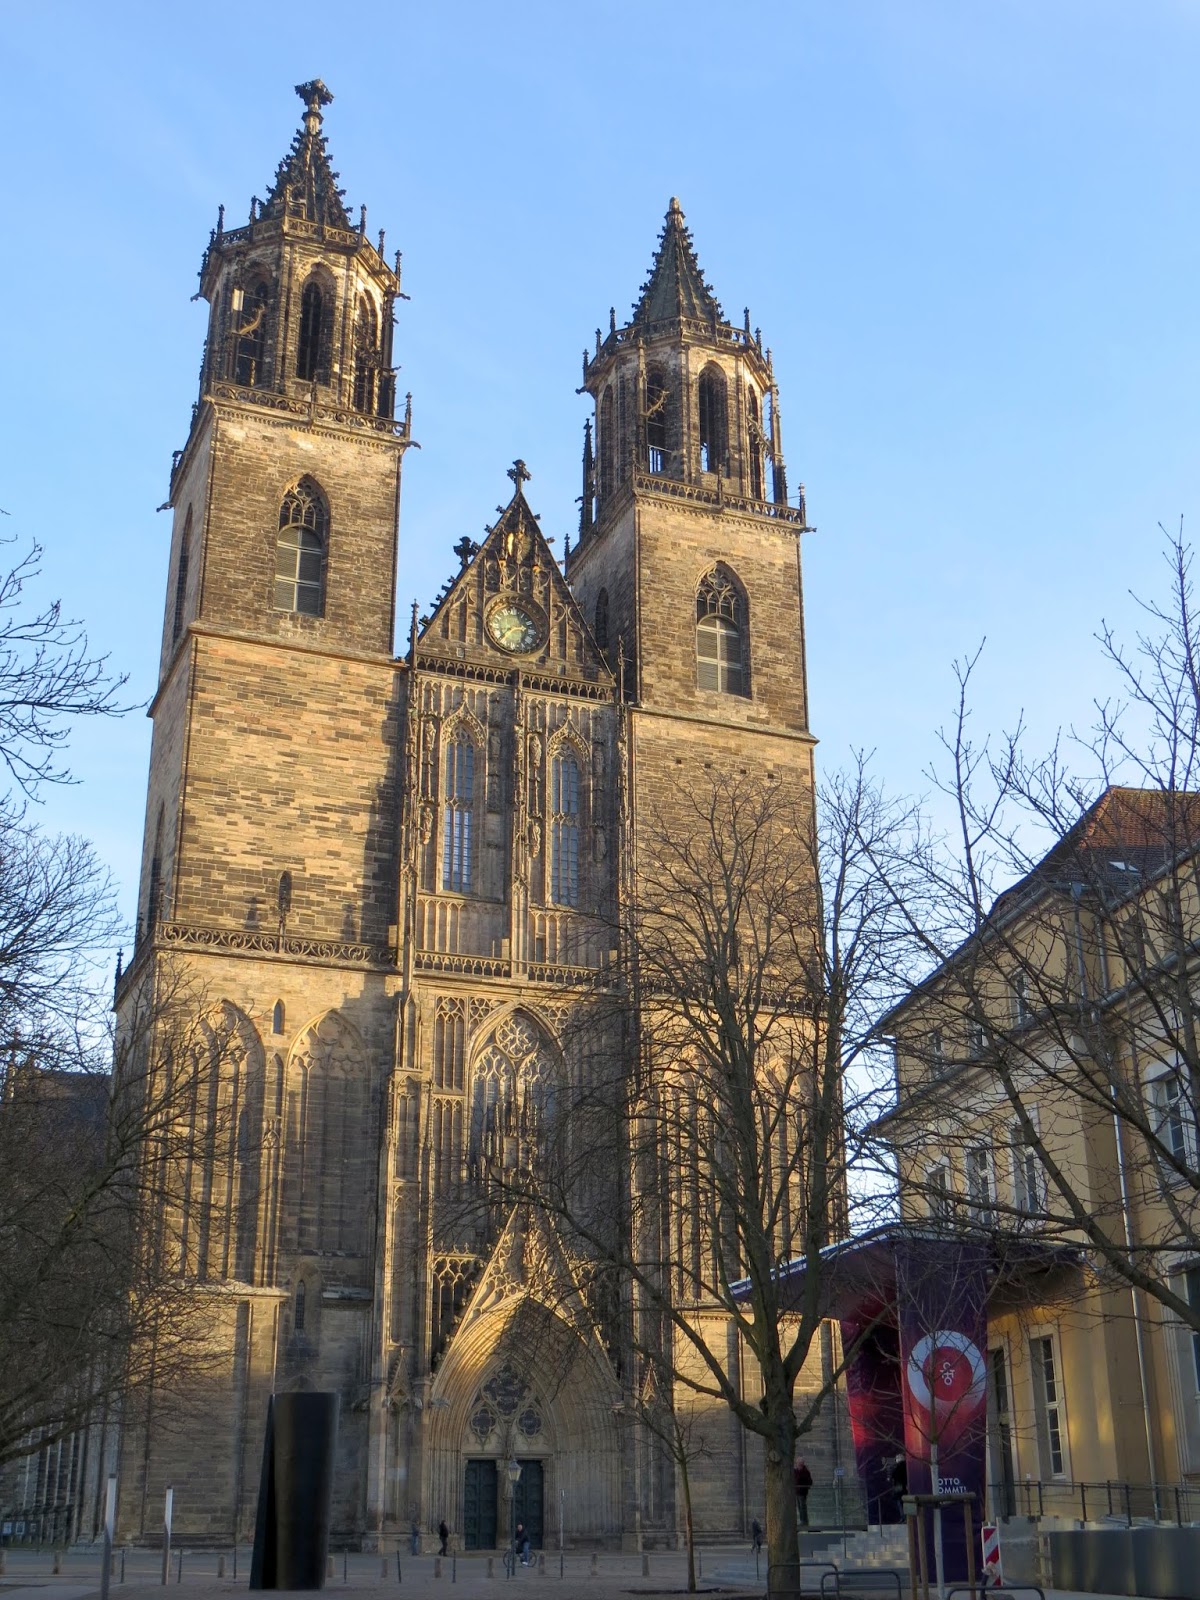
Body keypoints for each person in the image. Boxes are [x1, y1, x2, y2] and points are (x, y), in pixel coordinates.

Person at [794, 1460, 813, 1526]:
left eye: (799, 1464)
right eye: (797, 1463)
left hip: (802, 1492)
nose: (798, 1465)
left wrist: (804, 1487)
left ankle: (804, 1521)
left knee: (802, 1507)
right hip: (797, 1491)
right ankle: (802, 1521)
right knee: (800, 1507)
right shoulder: (796, 1471)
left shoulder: (805, 1471)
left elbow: (809, 1482)